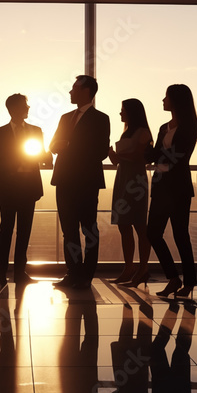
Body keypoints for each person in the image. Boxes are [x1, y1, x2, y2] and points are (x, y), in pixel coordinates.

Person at [50, 75, 111, 290]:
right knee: (69, 230)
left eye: (74, 88)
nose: (70, 92)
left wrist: (69, 147)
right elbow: (53, 145)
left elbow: (101, 151)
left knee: (89, 229)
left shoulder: (101, 118)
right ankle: (73, 273)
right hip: (64, 180)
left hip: (86, 181)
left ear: (86, 91)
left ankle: (86, 274)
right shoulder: (65, 117)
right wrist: (61, 146)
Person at [147, 84, 197, 299]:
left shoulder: (188, 128)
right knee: (153, 233)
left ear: (176, 101)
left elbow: (176, 158)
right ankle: (173, 278)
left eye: (166, 97)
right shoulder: (163, 127)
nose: (163, 100)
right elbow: (155, 157)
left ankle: (188, 282)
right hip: (161, 186)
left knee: (180, 236)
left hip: (178, 189)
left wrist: (159, 156)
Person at [0, 94, 51, 286]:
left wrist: (46, 157)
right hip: (9, 187)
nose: (28, 108)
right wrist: (20, 161)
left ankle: (19, 272)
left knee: (24, 230)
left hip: (28, 187)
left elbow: (41, 158)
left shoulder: (36, 131)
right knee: (6, 229)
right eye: (25, 105)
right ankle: (2, 271)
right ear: (13, 109)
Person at [107, 98, 153, 287]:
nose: (120, 113)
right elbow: (122, 160)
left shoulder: (143, 132)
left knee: (139, 225)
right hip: (123, 177)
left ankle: (142, 269)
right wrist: (114, 157)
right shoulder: (127, 132)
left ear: (132, 112)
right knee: (123, 224)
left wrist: (118, 156)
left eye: (123, 110)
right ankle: (129, 267)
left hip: (135, 180)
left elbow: (140, 157)